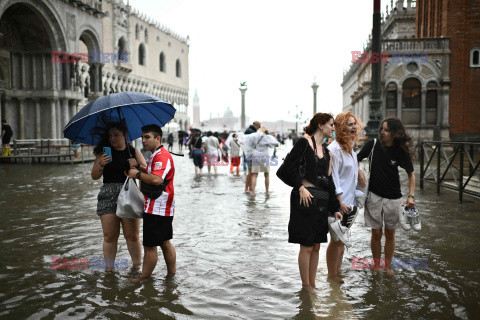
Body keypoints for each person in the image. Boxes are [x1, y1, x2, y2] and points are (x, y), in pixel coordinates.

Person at [281, 113, 342, 291]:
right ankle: (306, 287)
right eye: (331, 125)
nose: (333, 128)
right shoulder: (303, 143)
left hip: (322, 203)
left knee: (316, 245)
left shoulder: (328, 152)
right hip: (304, 200)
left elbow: (329, 181)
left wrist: (335, 208)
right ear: (320, 124)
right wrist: (300, 187)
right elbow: (286, 169)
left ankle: (312, 285)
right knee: (306, 245)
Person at [357, 118, 416, 276]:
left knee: (390, 233)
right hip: (374, 196)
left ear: (395, 133)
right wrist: (359, 171)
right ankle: (376, 266)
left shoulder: (400, 150)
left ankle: (387, 267)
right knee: (376, 233)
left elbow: (411, 174)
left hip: (393, 197)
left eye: (387, 130)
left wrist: (411, 196)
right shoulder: (373, 144)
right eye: (382, 129)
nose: (382, 132)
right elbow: (354, 159)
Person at [90, 122, 147, 271]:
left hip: (129, 194)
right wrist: (101, 164)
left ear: (125, 135)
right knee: (109, 236)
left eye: (116, 135)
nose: (113, 138)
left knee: (132, 236)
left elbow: (147, 173)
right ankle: (109, 270)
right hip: (108, 195)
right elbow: (94, 176)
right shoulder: (103, 153)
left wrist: (137, 166)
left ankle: (136, 268)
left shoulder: (133, 152)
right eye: (110, 135)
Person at [127, 124, 176, 282]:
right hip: (162, 207)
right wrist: (141, 168)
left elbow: (156, 179)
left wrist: (137, 175)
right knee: (164, 242)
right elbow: (153, 173)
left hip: (157, 208)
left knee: (150, 246)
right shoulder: (157, 155)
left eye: (147, 137)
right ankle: (171, 275)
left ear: (158, 138)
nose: (144, 141)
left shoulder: (161, 156)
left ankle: (144, 278)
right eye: (142, 137)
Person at [326, 111, 362, 283]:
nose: (354, 127)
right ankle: (332, 275)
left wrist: (360, 171)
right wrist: (339, 201)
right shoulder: (334, 149)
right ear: (340, 127)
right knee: (336, 240)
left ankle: (337, 272)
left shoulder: (351, 150)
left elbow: (350, 175)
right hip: (339, 203)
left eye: (354, 124)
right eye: (349, 124)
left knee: (342, 238)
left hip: (350, 202)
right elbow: (333, 177)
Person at [248, 128, 279, 195]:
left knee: (254, 174)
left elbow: (249, 145)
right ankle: (267, 191)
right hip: (265, 156)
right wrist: (274, 137)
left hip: (255, 155)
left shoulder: (254, 136)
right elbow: (276, 144)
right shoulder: (268, 137)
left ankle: (253, 192)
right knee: (266, 174)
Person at [243, 121, 261, 191]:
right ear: (255, 125)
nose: (258, 128)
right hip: (252, 154)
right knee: (252, 173)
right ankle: (250, 188)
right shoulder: (252, 132)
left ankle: (248, 188)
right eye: (258, 127)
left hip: (248, 153)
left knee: (250, 172)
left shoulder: (248, 130)